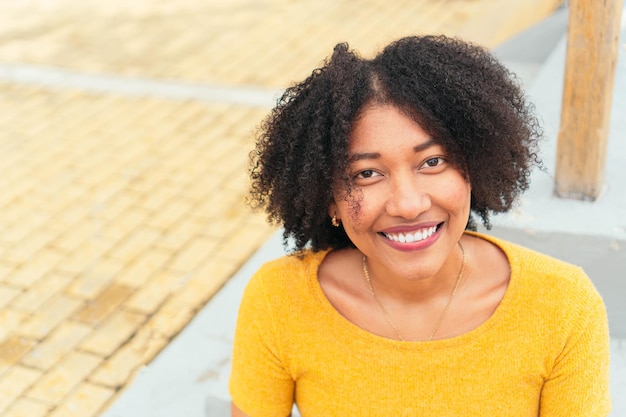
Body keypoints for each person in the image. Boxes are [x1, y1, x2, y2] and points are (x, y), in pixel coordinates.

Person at [228, 35, 611, 417]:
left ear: (475, 164)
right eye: (366, 173)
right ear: (330, 198)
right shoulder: (280, 300)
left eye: (432, 162)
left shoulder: (563, 306)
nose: (409, 205)